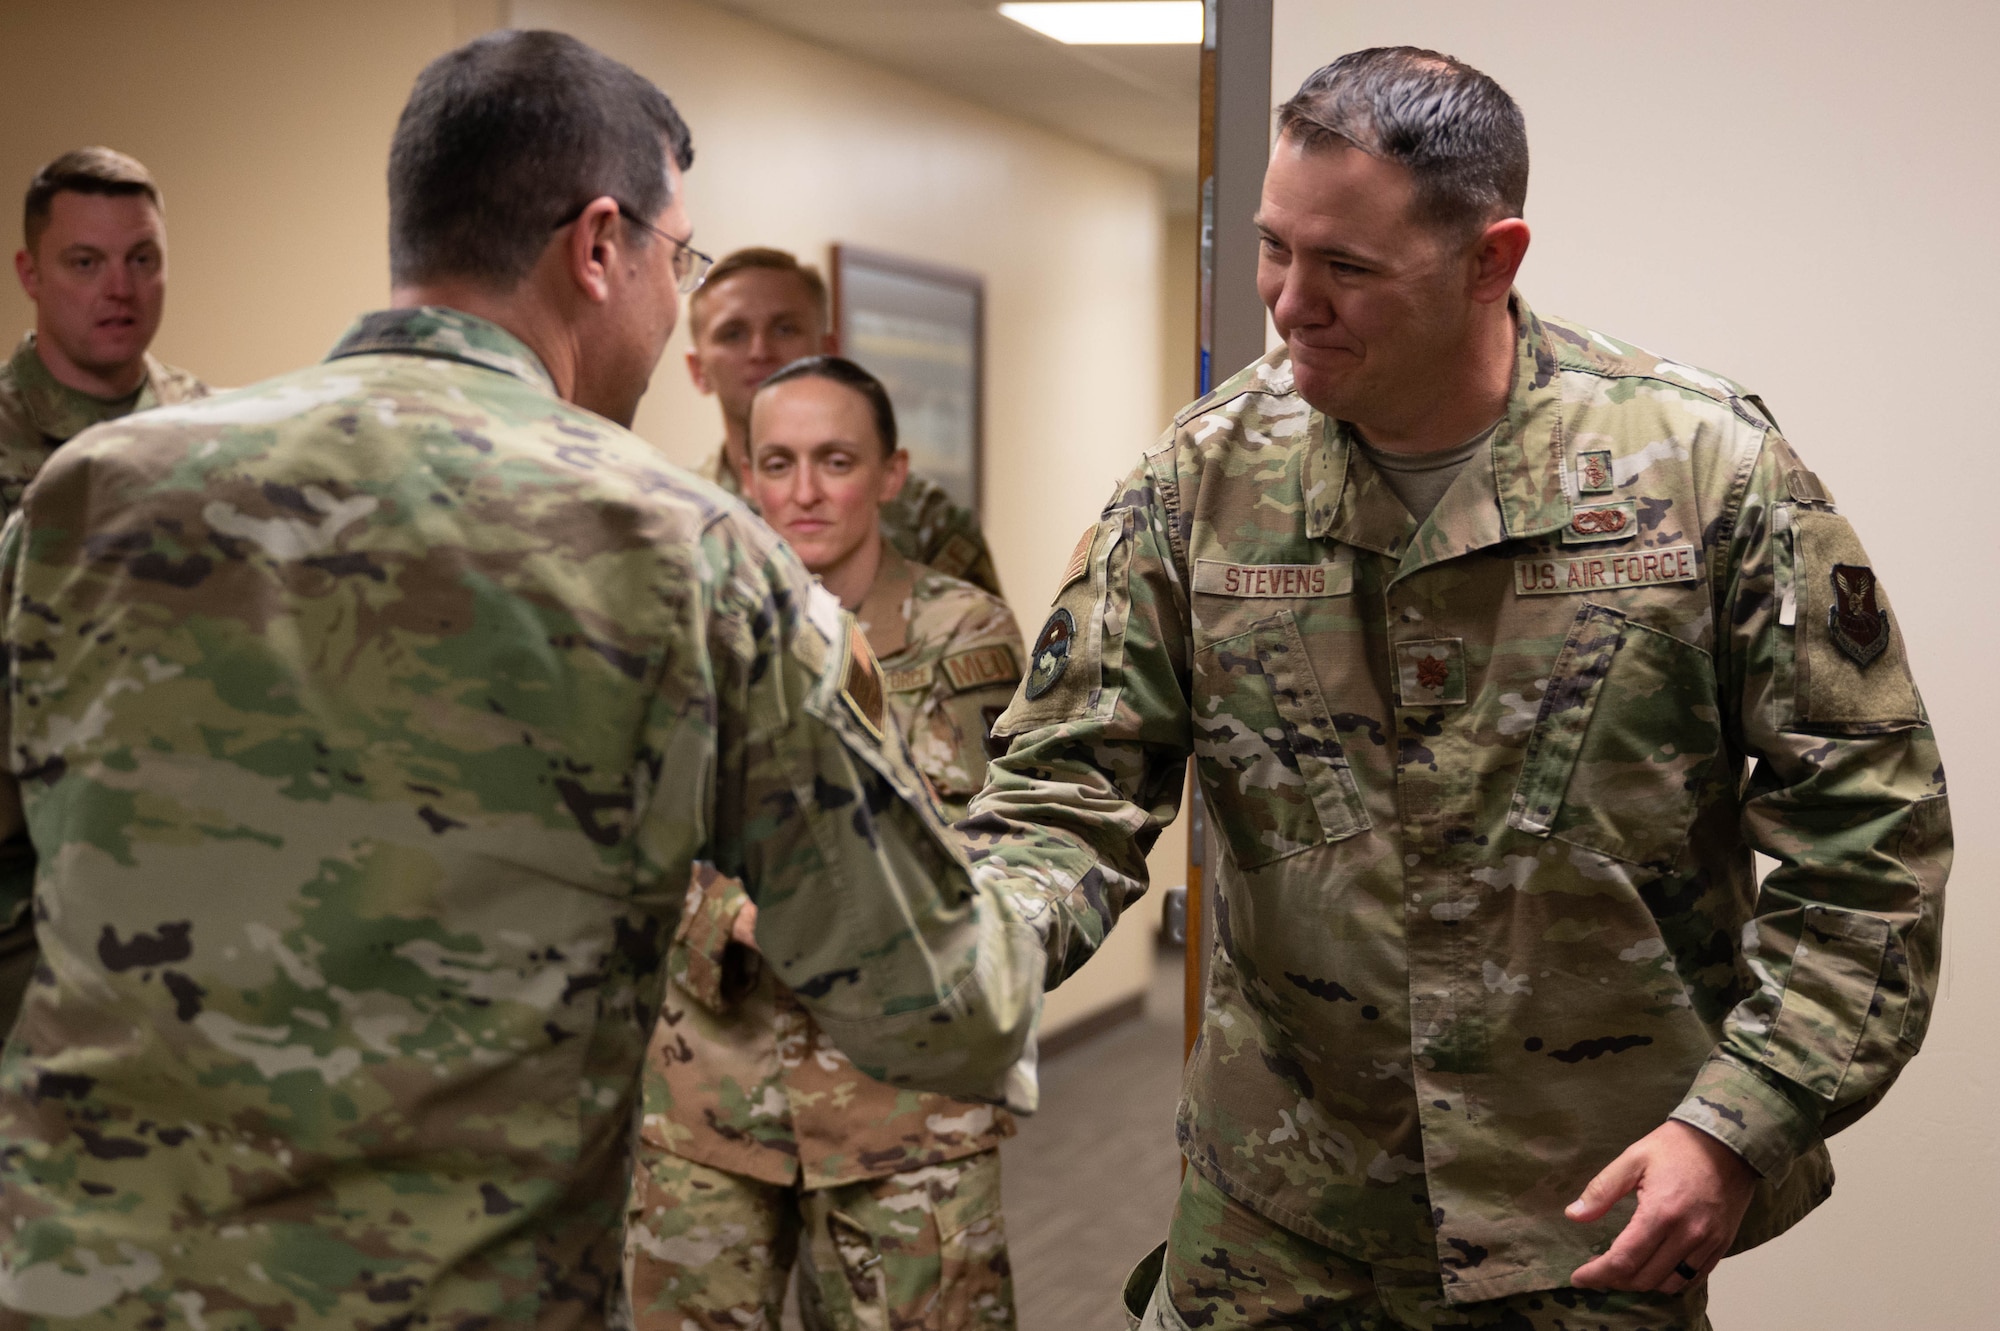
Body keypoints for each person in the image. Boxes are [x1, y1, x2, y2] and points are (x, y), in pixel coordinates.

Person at [0, 31, 1044, 1330]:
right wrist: (1070, 836)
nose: (679, 313)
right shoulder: (679, 548)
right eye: (682, 260)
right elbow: (940, 996)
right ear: (599, 246)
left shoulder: (90, 498)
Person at [960, 47, 1950, 1330]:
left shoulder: (1700, 472)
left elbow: (1869, 842)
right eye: (1273, 248)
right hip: (1279, 1212)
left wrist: (1737, 1124)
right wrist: (953, 961)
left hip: (1587, 1217)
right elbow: (1067, 787)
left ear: (1491, 258)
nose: (1288, 305)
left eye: (1347, 269)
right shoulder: (1199, 482)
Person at [628, 355, 1024, 1331]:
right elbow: (626, 834)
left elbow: (1012, 835)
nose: (803, 491)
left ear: (891, 472)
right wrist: (738, 913)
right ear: (744, 471)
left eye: (835, 459)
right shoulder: (680, 631)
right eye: (778, 461)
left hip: (908, 1104)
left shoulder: (964, 633)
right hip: (710, 1097)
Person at [0, 147, 210, 1032]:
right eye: (85, 262)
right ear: (31, 274)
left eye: (143, 259)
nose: (118, 287)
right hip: (28, 908)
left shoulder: (221, 433)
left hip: (193, 885)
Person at [686, 246, 1003, 595]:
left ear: (829, 349)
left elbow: (971, 630)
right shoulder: (679, 511)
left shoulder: (922, 516)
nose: (760, 351)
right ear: (698, 370)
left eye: (785, 329)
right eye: (733, 333)